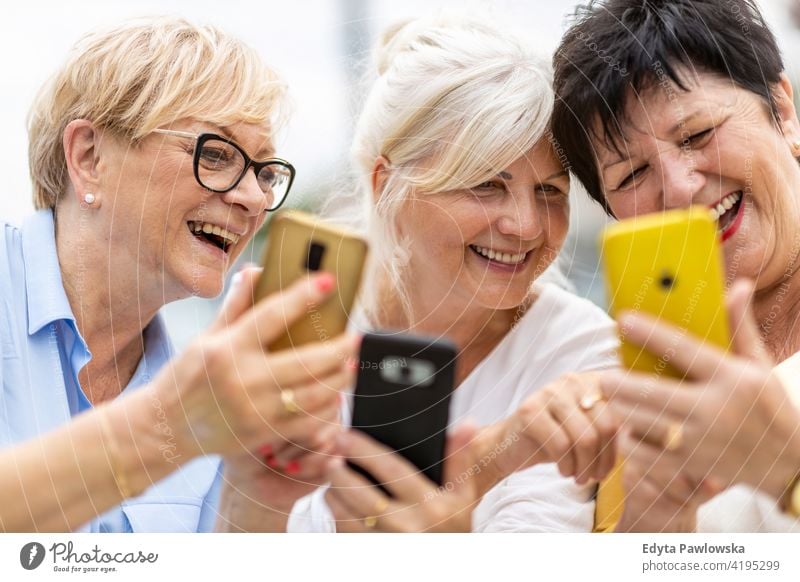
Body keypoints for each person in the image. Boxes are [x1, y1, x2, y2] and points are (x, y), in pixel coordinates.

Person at [0, 16, 358, 532]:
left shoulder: (212, 398)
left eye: (265, 172)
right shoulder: (195, 407)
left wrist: (258, 496)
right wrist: (167, 426)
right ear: (89, 157)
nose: (255, 198)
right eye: (215, 154)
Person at [271, 15, 623, 533]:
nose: (525, 226)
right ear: (384, 183)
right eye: (485, 184)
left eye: (550, 190)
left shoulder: (578, 351)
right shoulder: (293, 317)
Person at [550, 0, 800, 531]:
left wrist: (787, 475)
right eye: (632, 173)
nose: (680, 187)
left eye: (697, 134)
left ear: (782, 112)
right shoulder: (626, 402)